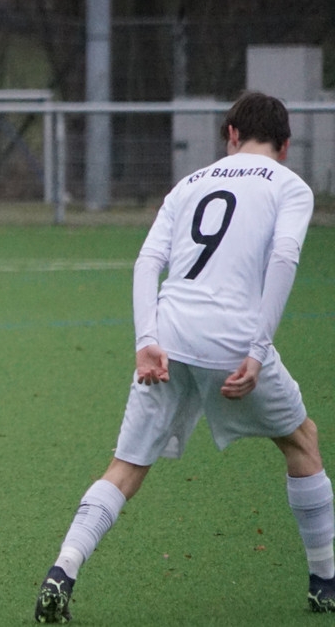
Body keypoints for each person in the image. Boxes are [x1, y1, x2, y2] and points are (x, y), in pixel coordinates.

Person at [34, 91, 331, 622]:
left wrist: (145, 340)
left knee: (127, 465)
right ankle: (325, 582)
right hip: (232, 340)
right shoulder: (290, 185)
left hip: (168, 336)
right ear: (285, 146)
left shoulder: (189, 184)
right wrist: (258, 350)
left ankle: (63, 569)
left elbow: (148, 262)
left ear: (231, 135)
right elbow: (285, 256)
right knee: (301, 440)